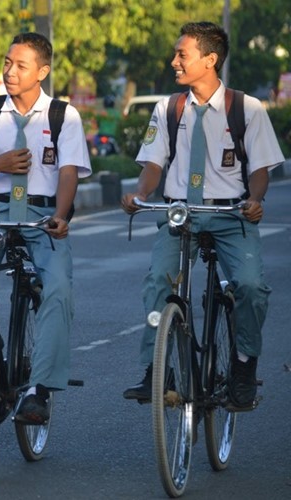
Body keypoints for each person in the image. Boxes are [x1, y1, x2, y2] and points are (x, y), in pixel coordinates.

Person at [121, 22, 284, 410]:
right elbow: (154, 164)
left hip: (231, 214)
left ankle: (244, 365)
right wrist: (141, 194)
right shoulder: (169, 108)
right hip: (180, 213)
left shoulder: (246, 108)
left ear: (210, 60)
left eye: (182, 54)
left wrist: (255, 200)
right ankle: (157, 371)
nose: (173, 61)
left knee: (249, 286)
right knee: (158, 281)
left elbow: (260, 168)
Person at [0, 32, 92, 424]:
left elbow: (69, 172)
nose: (10, 71)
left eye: (20, 65)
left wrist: (61, 215)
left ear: (42, 71)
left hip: (43, 215)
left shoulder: (63, 116)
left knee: (57, 288)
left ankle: (39, 390)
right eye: (7, 62)